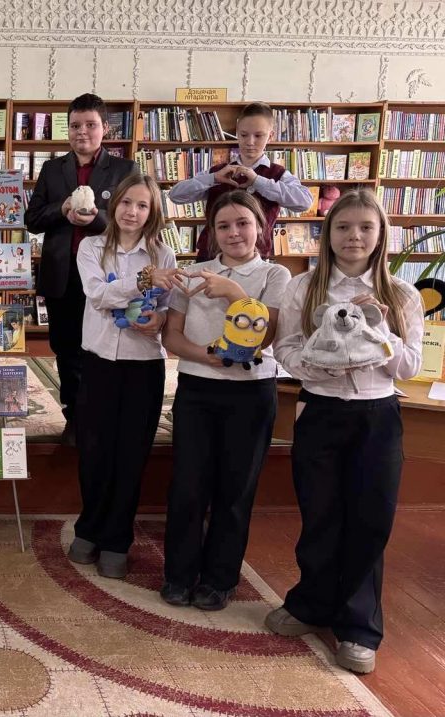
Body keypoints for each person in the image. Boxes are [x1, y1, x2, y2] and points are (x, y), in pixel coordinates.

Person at [267, 189, 423, 674]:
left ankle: (358, 627)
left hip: (377, 417)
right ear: (327, 233)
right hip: (321, 410)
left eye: (365, 228)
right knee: (320, 512)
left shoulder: (401, 294)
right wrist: (315, 366)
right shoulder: (303, 287)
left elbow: (410, 366)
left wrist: (380, 331)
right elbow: (284, 349)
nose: (354, 236)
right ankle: (311, 602)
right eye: (343, 227)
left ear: (381, 235)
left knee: (370, 519)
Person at [160, 190, 290, 611]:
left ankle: (219, 579)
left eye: (243, 223)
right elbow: (172, 335)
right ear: (211, 233)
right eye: (223, 226)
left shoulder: (275, 275)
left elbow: (266, 336)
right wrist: (210, 356)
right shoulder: (194, 274)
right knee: (188, 485)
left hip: (252, 393)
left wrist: (234, 292)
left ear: (260, 227)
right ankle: (179, 574)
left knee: (236, 488)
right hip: (198, 388)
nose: (234, 233)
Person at [66, 175, 181, 578]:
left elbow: (168, 307)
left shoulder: (164, 254)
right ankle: (89, 528)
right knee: (94, 450)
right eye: (127, 202)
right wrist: (143, 281)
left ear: (153, 212)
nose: (132, 211)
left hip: (143, 365)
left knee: (132, 454)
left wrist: (160, 319)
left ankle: (117, 539)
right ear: (113, 204)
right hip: (98, 362)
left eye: (142, 205)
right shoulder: (92, 247)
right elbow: (97, 294)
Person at [27, 93, 139, 446]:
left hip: (107, 276)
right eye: (75, 125)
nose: (82, 132)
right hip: (63, 275)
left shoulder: (125, 170)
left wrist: (95, 220)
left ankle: (103, 415)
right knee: (67, 349)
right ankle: (74, 416)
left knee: (104, 347)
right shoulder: (52, 169)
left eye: (90, 125)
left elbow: (135, 219)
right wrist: (61, 210)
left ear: (105, 128)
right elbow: (32, 219)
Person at [168, 102, 313, 261]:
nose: (250, 142)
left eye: (258, 136)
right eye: (244, 135)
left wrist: (258, 181)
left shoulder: (278, 174)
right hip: (211, 256)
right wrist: (213, 178)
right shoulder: (218, 172)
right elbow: (175, 195)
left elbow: (305, 202)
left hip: (255, 260)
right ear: (237, 133)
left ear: (270, 136)